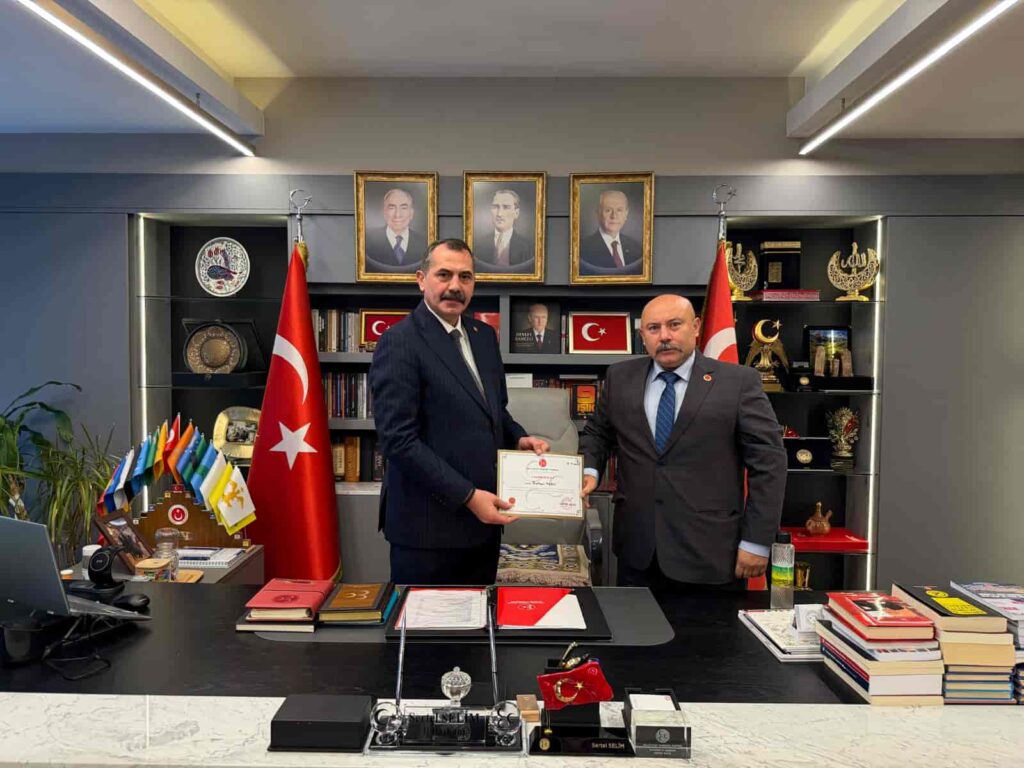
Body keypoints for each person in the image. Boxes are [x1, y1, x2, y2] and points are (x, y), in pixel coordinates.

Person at [369, 238, 549, 584]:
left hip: (482, 528)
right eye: (444, 274)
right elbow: (398, 441)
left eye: (465, 277)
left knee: (480, 618)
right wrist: (467, 496)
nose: (455, 286)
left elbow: (495, 411)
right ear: (421, 279)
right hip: (427, 533)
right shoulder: (399, 341)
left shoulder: (483, 337)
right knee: (426, 622)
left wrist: (518, 438)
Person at [580, 294, 786, 591]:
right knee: (634, 623)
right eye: (654, 328)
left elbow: (769, 463)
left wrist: (757, 541)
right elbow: (597, 433)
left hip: (710, 553)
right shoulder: (620, 377)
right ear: (642, 336)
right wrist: (589, 472)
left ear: (696, 327)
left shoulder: (738, 382)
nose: (664, 336)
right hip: (637, 551)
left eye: (674, 325)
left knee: (711, 625)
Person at [578, 189, 643, 274]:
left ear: (626, 214)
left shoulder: (636, 248)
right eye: (608, 210)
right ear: (598, 213)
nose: (614, 216)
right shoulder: (583, 249)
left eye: (619, 210)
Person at [364, 188, 428, 268]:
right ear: (384, 212)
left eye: (403, 208)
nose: (397, 215)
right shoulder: (368, 242)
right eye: (392, 208)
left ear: (411, 213)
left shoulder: (424, 242)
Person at [475, 189, 534, 269]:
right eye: (495, 207)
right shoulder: (478, 245)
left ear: (516, 213)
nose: (499, 214)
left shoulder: (528, 247)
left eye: (506, 207)